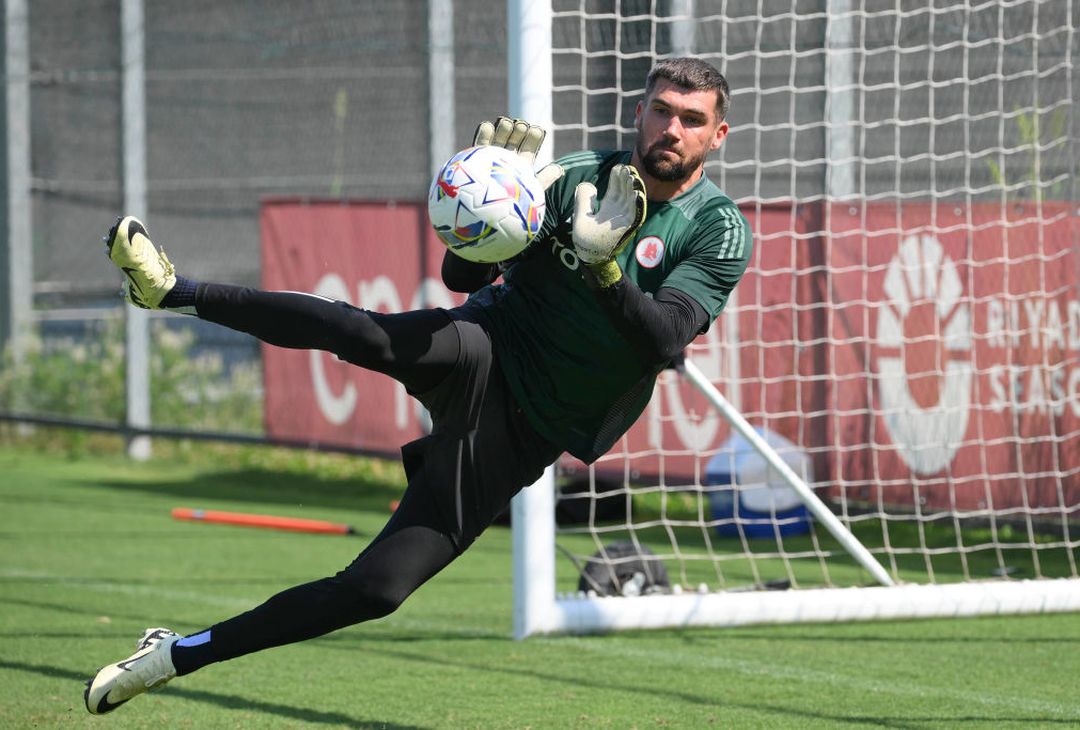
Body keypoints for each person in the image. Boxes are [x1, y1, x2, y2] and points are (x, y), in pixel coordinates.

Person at [84, 56, 751, 715]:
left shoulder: (718, 229)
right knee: (363, 333)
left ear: (716, 136)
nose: (672, 128)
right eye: (662, 110)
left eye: (691, 119)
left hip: (530, 431)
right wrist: (483, 201)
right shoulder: (571, 177)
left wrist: (605, 269)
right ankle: (174, 290)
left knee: (377, 590)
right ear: (639, 113)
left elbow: (663, 340)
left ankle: (173, 654)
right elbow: (462, 278)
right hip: (487, 347)